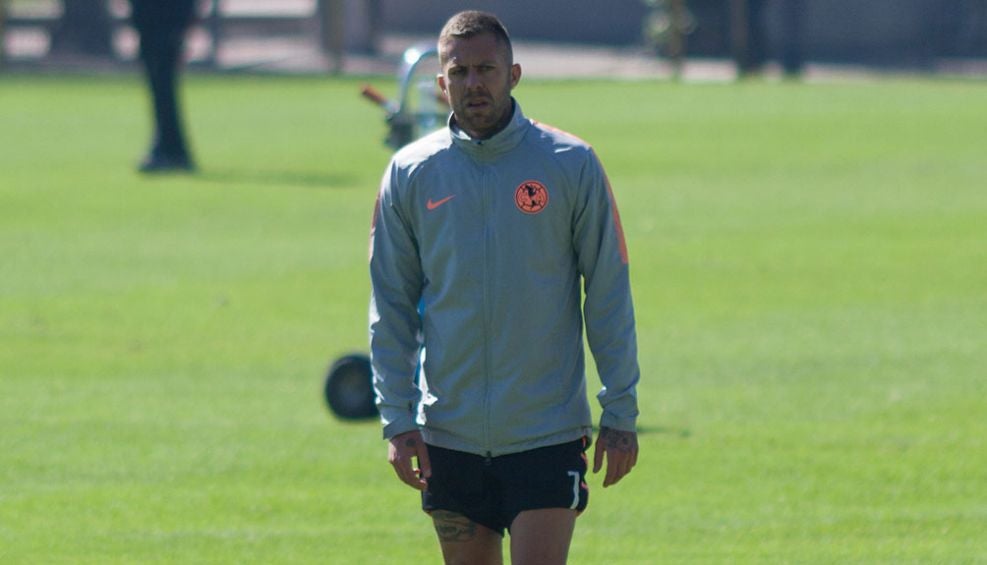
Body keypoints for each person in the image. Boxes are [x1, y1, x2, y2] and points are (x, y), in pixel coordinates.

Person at [369, 11, 641, 565]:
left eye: (487, 70)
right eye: (460, 72)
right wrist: (396, 418)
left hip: (545, 432)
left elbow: (608, 290)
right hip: (449, 434)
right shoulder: (409, 173)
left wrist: (620, 410)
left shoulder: (570, 163)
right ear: (441, 83)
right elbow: (391, 303)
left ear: (514, 74)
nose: (474, 84)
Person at [129, 0, 197, 173]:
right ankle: (169, 146)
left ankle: (169, 148)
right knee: (160, 79)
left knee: (161, 77)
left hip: (164, 16)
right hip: (156, 16)